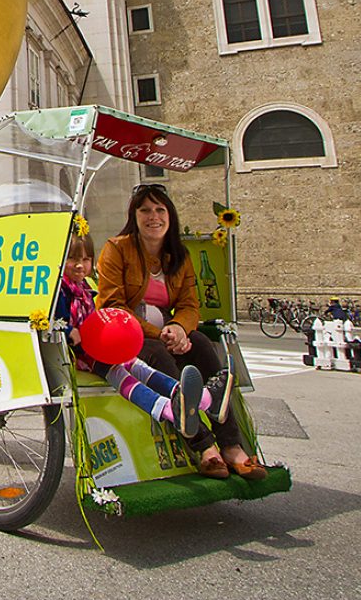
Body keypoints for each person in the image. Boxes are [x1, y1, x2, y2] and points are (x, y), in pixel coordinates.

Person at [95, 184, 266, 480]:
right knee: (159, 353)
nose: (153, 217)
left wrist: (179, 328)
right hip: (128, 336)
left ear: (170, 216)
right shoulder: (117, 249)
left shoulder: (179, 256)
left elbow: (190, 304)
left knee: (201, 344)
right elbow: (113, 305)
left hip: (168, 334)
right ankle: (204, 447)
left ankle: (230, 444)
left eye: (160, 210)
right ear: (133, 216)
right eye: (145, 210)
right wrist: (158, 333)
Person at [58, 226, 228, 436]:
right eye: (72, 259)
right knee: (122, 376)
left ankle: (197, 399)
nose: (79, 265)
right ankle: (169, 409)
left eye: (86, 259)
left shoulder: (84, 289)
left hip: (98, 349)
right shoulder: (61, 290)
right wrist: (68, 330)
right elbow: (55, 319)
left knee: (140, 367)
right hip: (81, 355)